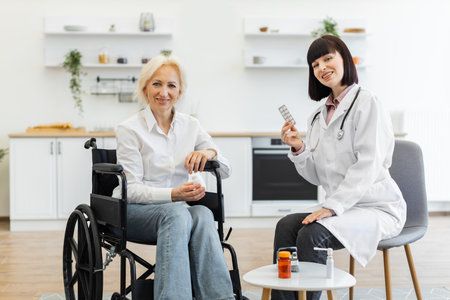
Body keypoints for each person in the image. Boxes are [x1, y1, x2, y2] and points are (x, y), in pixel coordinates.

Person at [272, 35, 407, 300]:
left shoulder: (368, 103)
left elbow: (368, 165)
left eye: (327, 58)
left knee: (312, 235)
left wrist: (332, 207)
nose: (321, 68)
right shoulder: (317, 116)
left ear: (344, 58)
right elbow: (317, 175)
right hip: (342, 208)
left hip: (376, 207)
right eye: (314, 65)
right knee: (286, 226)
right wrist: (299, 148)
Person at [112, 55, 234, 300]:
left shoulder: (191, 126)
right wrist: (174, 194)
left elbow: (226, 168)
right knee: (178, 212)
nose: (164, 92)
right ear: (145, 88)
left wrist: (209, 152)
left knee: (203, 214)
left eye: (171, 85)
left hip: (178, 213)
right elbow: (131, 190)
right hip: (134, 212)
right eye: (156, 84)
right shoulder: (129, 129)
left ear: (180, 91)